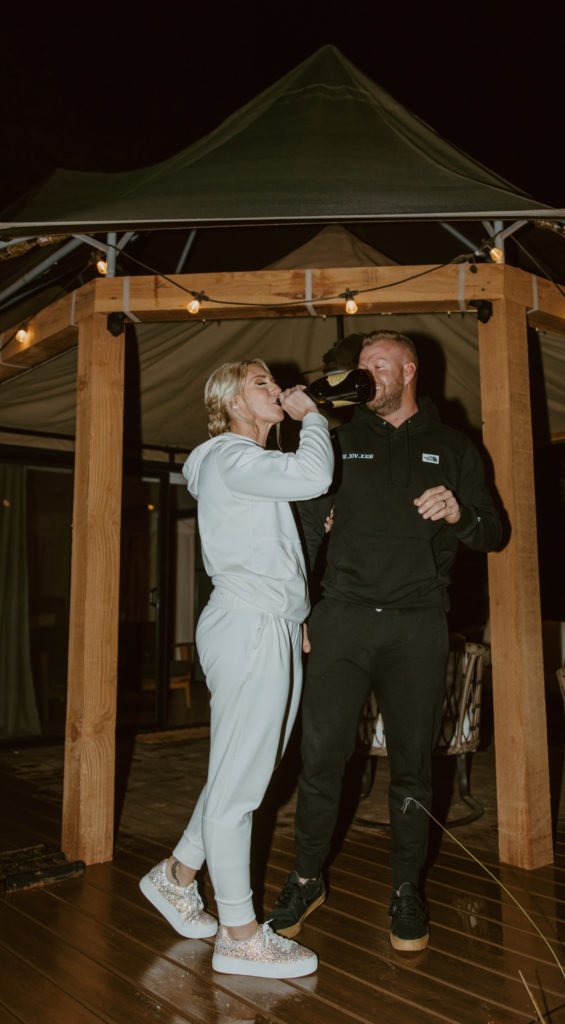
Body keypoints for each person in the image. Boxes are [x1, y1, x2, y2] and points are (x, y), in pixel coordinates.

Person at [269, 331, 501, 952]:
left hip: (417, 625)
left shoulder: (453, 446)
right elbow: (305, 535)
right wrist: (300, 613)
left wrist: (459, 512)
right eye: (360, 367)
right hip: (341, 620)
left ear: (408, 370)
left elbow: (494, 531)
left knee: (412, 769)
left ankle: (406, 888)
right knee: (321, 761)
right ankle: (306, 877)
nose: (364, 376)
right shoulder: (339, 443)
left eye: (376, 366)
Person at [139, 359, 333, 978]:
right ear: (230, 400)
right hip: (249, 625)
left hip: (268, 622)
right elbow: (315, 473)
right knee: (241, 788)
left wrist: (296, 612)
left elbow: (271, 548)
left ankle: (176, 875)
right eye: (261, 383)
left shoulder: (242, 466)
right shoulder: (229, 454)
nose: (277, 388)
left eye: (275, 382)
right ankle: (241, 934)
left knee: (241, 772)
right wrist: (314, 417)